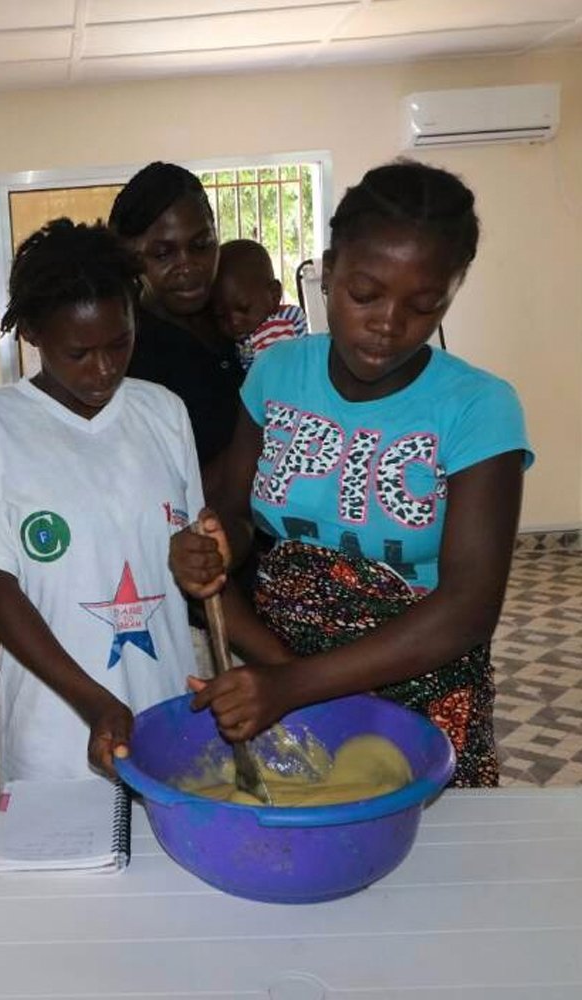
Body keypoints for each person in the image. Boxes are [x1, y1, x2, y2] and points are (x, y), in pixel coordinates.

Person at [170, 160, 532, 787]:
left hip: (419, 692)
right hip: (276, 666)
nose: (388, 323)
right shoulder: (279, 373)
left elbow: (469, 608)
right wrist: (208, 554)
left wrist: (293, 685)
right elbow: (233, 514)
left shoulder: (479, 407)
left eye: (424, 305)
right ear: (330, 271)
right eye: (365, 294)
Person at [0, 218, 202, 787]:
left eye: (119, 343)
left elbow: (190, 551)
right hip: (56, 727)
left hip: (165, 712)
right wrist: (94, 702)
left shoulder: (163, 412)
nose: (104, 369)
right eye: (79, 352)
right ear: (31, 332)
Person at [108, 162, 243, 486]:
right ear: (130, 257)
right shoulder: (129, 354)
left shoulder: (235, 316)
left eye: (201, 245)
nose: (189, 265)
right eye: (163, 254)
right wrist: (258, 440)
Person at [211, 239, 308, 373]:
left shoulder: (279, 329)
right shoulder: (241, 339)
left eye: (244, 309)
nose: (234, 322)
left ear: (274, 295)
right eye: (221, 315)